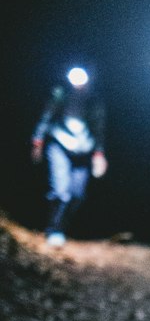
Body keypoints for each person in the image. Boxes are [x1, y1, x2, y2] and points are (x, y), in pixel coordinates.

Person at [30, 66, 108, 246]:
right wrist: (37, 142)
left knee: (77, 195)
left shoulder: (95, 100)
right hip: (59, 146)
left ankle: (62, 228)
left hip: (83, 151)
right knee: (60, 191)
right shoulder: (60, 93)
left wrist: (99, 154)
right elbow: (46, 116)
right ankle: (53, 230)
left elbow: (99, 129)